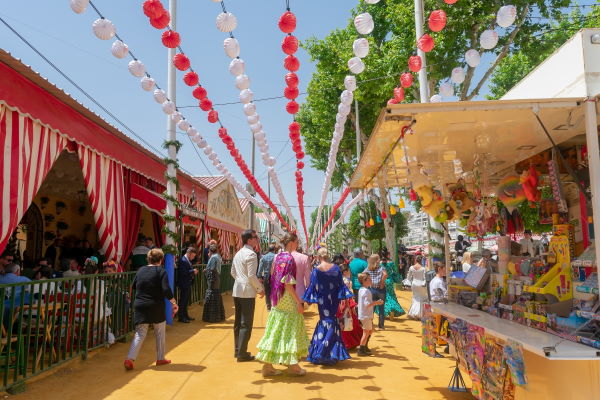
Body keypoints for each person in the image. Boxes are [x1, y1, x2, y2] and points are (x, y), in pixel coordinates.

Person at [256, 232, 309, 377]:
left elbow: (273, 277)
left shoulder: (277, 257)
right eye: (297, 242)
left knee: (276, 330)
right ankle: (293, 365)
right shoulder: (289, 258)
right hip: (287, 299)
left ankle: (268, 366)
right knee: (290, 330)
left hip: (277, 298)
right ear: (291, 243)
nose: (298, 244)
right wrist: (299, 301)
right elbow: (288, 283)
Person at [124, 249, 178, 370]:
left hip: (140, 304)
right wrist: (174, 303)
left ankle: (130, 358)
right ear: (160, 260)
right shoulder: (161, 271)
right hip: (156, 305)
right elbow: (166, 290)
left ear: (148, 259)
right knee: (160, 332)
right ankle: (160, 358)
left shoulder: (140, 270)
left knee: (140, 333)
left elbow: (132, 287)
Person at [303, 247, 352, 365]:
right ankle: (330, 352)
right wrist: (344, 300)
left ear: (318, 257)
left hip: (322, 300)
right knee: (332, 320)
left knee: (325, 320)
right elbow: (341, 285)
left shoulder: (316, 270)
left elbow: (313, 286)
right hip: (333, 299)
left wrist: (309, 300)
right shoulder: (335, 268)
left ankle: (322, 351)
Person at [231, 229, 264, 362]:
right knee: (246, 322)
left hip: (237, 289)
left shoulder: (238, 253)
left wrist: (240, 279)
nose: (257, 239)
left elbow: (233, 272)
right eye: (255, 237)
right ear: (249, 240)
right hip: (247, 291)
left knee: (238, 322)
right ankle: (242, 352)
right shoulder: (251, 254)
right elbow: (251, 275)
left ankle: (238, 349)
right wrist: (259, 288)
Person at [336, 263, 362, 350]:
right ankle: (350, 343)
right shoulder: (347, 281)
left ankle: (345, 343)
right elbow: (347, 295)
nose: (350, 272)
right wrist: (351, 305)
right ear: (345, 271)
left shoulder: (339, 280)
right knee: (351, 322)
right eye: (349, 271)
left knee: (343, 322)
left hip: (340, 303)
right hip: (347, 302)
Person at [357, 273, 383, 356]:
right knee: (366, 332)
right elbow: (367, 304)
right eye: (369, 279)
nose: (371, 280)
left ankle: (364, 346)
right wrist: (377, 302)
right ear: (364, 281)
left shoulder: (361, 289)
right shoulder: (366, 291)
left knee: (369, 331)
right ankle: (361, 349)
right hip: (366, 315)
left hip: (364, 314)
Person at [363, 254, 387, 329]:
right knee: (381, 308)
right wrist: (382, 282)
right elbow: (385, 274)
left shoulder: (368, 268)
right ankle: (381, 326)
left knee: (371, 307)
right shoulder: (381, 267)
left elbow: (362, 275)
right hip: (381, 289)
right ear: (376, 260)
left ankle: (370, 324)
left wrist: (368, 283)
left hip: (372, 289)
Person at [202, 244, 225, 323]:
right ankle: (217, 316)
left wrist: (206, 271)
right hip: (216, 278)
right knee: (216, 295)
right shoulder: (218, 257)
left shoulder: (213, 258)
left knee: (212, 295)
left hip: (213, 279)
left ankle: (212, 317)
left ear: (210, 251)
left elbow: (211, 269)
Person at [378, 253, 405, 318]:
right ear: (387, 255)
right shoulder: (391, 263)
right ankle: (392, 309)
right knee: (391, 295)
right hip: (390, 280)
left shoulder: (379, 263)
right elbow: (395, 271)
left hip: (382, 280)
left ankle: (387, 310)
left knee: (384, 297)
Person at [177, 247, 198, 323]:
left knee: (185, 300)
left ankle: (185, 316)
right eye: (193, 256)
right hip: (184, 283)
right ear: (189, 253)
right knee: (183, 301)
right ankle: (181, 317)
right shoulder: (183, 260)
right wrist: (193, 271)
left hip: (187, 283)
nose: (193, 257)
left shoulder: (187, 260)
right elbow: (183, 272)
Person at [290, 237, 310, 307]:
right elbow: (308, 278)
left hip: (283, 295)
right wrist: (308, 290)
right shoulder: (304, 258)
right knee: (298, 317)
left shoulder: (279, 257)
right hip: (299, 293)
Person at [406, 255, 427, 320]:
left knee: (415, 298)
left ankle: (413, 312)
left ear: (416, 260)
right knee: (421, 298)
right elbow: (425, 278)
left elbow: (409, 277)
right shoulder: (423, 268)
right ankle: (418, 313)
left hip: (414, 284)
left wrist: (407, 284)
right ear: (421, 261)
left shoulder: (411, 267)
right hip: (421, 284)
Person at [257, 243, 277, 311]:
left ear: (268, 250)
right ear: (274, 250)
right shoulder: (277, 257)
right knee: (275, 291)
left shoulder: (263, 257)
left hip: (266, 277)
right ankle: (274, 305)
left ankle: (269, 307)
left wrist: (259, 277)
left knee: (267, 292)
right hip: (275, 277)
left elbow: (260, 268)